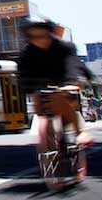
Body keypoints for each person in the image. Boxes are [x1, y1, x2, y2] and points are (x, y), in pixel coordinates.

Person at [17, 17, 92, 147]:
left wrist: (71, 82)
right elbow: (23, 73)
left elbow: (72, 64)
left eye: (43, 35)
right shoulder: (27, 52)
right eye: (34, 36)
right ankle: (48, 140)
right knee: (38, 102)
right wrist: (28, 89)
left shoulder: (65, 47)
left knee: (60, 98)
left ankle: (79, 132)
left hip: (63, 77)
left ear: (50, 33)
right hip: (40, 80)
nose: (40, 39)